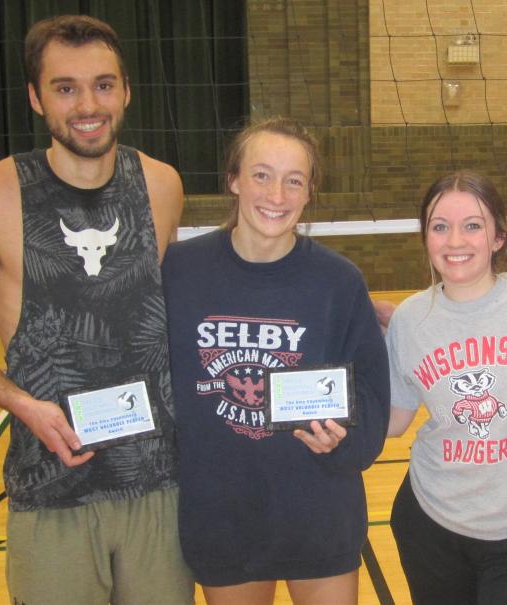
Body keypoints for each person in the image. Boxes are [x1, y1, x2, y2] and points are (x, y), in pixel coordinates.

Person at [0, 15, 193, 605]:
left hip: (158, 486)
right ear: (36, 98)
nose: (87, 104)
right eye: (65, 87)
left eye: (102, 84)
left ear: (125, 90)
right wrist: (20, 403)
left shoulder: (162, 185)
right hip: (52, 486)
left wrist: (340, 297)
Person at [161, 116, 390, 605]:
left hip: (318, 509)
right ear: (234, 180)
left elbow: (371, 397)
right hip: (222, 513)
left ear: (310, 193)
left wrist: (343, 442)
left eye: (294, 180)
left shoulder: (338, 281)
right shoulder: (179, 270)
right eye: (262, 174)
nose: (277, 195)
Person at [384, 171, 507, 605]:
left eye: (472, 225)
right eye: (440, 226)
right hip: (431, 523)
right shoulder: (410, 319)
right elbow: (394, 420)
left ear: (498, 237)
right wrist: (317, 407)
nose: (455, 240)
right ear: (426, 237)